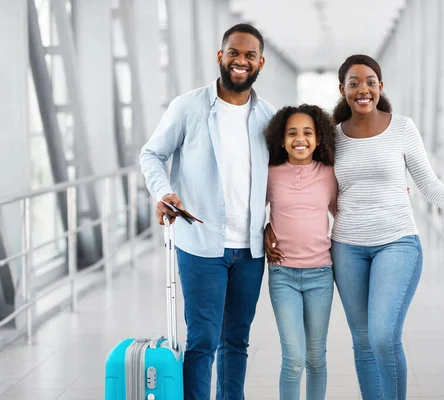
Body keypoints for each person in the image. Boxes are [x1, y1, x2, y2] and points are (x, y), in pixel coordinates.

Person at [265, 54, 444, 400]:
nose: (363, 89)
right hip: (346, 248)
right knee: (362, 342)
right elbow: (308, 181)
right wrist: (268, 225)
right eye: (354, 83)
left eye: (370, 82)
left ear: (380, 87)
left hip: (397, 242)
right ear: (342, 89)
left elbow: (429, 184)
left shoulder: (402, 128)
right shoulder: (333, 138)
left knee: (383, 337)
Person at [139, 23, 275, 400]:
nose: (240, 61)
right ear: (220, 56)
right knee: (202, 340)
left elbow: (291, 172)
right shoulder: (188, 106)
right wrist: (164, 191)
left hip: (249, 250)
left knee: (237, 342)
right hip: (200, 244)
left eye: (250, 55)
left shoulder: (268, 117)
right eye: (234, 53)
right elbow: (151, 154)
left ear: (260, 62)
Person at [264, 104, 337, 400]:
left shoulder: (330, 174)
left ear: (318, 138)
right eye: (292, 133)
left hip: (321, 275)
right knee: (293, 359)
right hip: (283, 275)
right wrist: (263, 229)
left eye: (307, 132)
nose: (300, 138)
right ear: (282, 140)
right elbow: (252, 210)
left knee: (316, 358)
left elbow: (347, 209)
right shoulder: (270, 173)